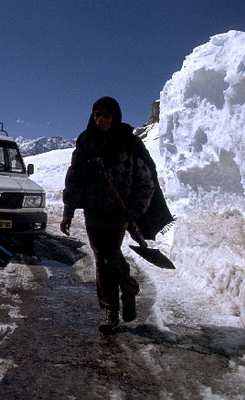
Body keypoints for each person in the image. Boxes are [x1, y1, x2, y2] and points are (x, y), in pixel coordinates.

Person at [60, 96, 156, 333]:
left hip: (119, 210)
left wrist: (136, 209)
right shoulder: (85, 142)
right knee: (102, 258)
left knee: (110, 254)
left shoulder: (128, 143)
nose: (101, 119)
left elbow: (146, 182)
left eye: (106, 115)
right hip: (94, 210)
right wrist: (68, 212)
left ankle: (129, 288)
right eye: (97, 115)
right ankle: (110, 310)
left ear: (115, 117)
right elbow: (74, 181)